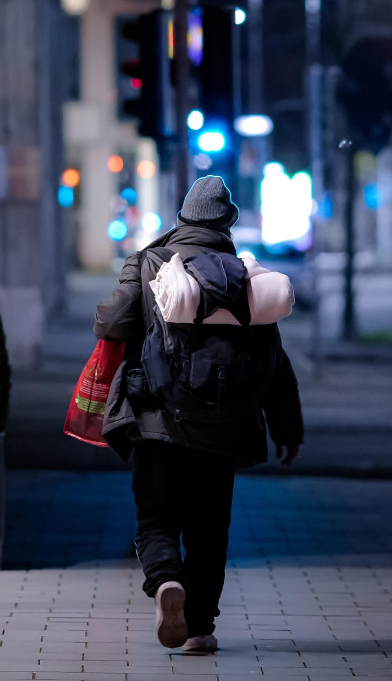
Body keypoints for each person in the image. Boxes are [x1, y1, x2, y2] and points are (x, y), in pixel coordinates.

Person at [94, 175, 303, 653]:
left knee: (157, 516)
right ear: (228, 223)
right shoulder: (246, 279)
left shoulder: (151, 263)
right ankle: (200, 627)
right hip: (224, 425)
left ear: (181, 219)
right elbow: (274, 361)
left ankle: (167, 580)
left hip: (157, 418)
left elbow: (110, 321)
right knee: (211, 528)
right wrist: (287, 428)